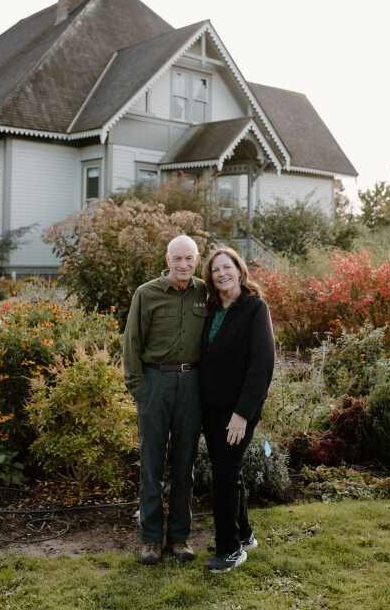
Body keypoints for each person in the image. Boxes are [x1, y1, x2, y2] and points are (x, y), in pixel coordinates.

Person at [123, 234, 207, 565]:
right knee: (152, 466)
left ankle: (180, 538)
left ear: (197, 260)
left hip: (192, 385)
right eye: (178, 259)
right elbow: (132, 342)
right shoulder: (147, 294)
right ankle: (150, 540)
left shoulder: (205, 293)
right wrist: (139, 390)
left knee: (184, 466)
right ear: (167, 260)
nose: (183, 265)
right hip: (155, 383)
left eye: (189, 259)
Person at [199, 245, 275, 573]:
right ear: (210, 277)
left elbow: (262, 365)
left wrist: (243, 414)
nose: (222, 274)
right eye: (215, 270)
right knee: (228, 470)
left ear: (240, 270)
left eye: (227, 267)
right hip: (211, 406)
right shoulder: (212, 307)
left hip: (239, 409)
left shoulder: (255, 308)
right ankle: (244, 535)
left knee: (224, 474)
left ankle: (229, 549)